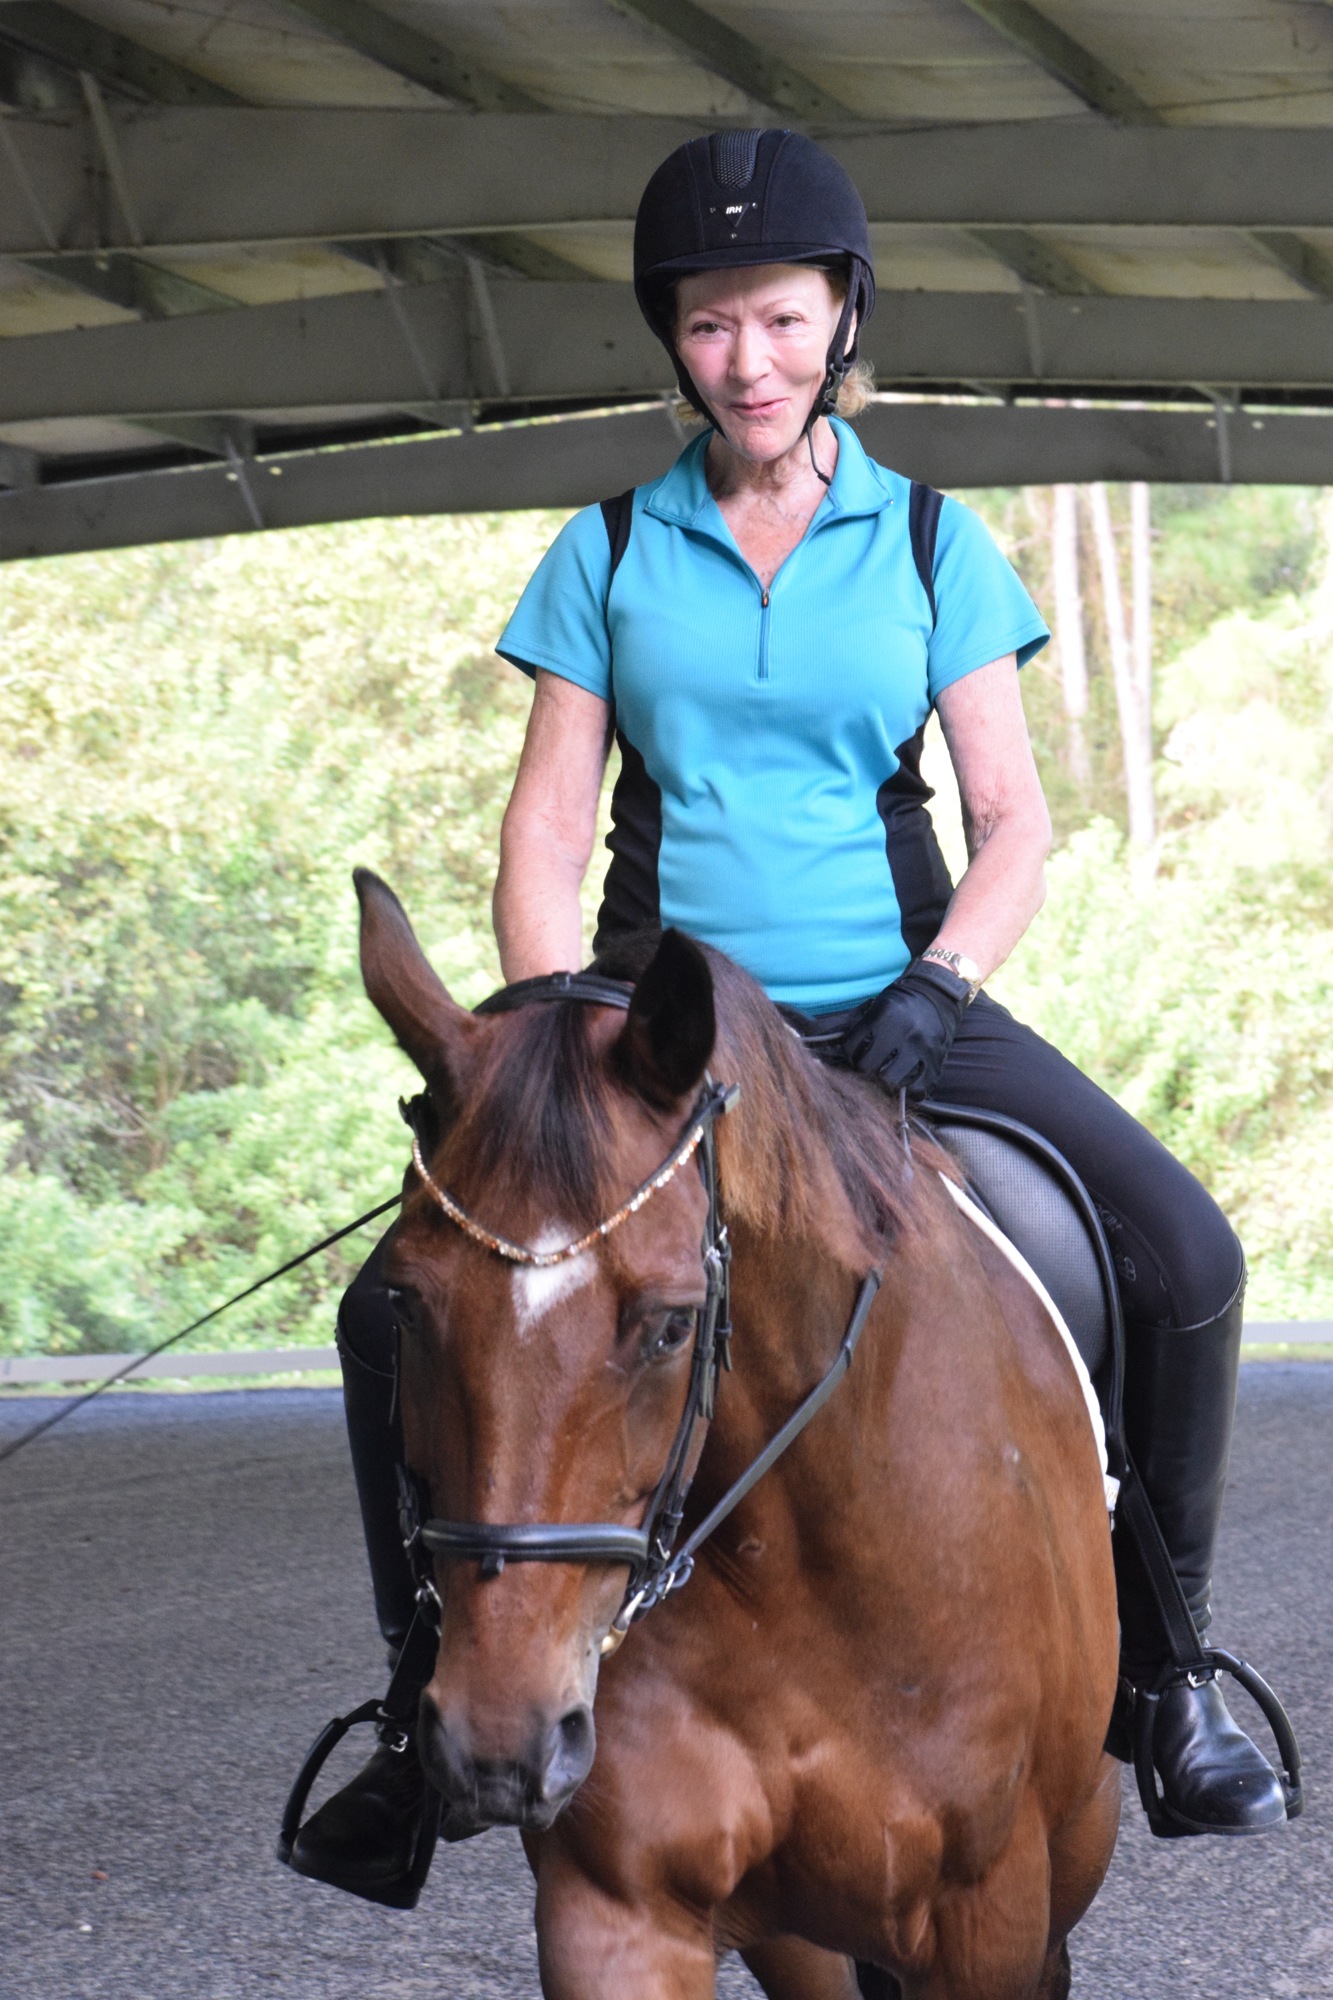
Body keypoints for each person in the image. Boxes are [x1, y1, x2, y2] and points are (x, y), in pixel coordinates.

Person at [284, 128, 1287, 1909]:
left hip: (887, 1005)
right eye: (706, 324)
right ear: (669, 341)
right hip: (646, 1032)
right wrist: (547, 1041)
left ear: (838, 319)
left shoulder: (925, 538)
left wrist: (939, 988)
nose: (742, 359)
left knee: (1184, 1253)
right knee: (397, 1306)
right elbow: (548, 818)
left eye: (775, 317)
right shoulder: (603, 548)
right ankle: (404, 1712)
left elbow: (1015, 818)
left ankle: (1169, 1676)